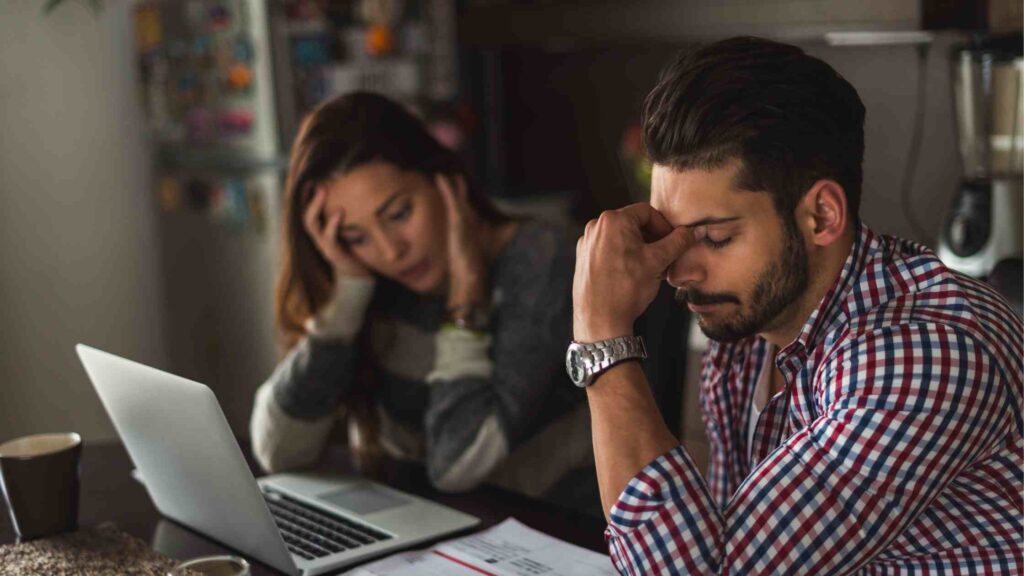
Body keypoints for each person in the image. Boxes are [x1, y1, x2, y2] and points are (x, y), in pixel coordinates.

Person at [571, 37, 1022, 573]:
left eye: (713, 237)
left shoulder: (924, 356)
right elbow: (721, 544)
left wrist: (603, 338)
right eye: (672, 235)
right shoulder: (744, 333)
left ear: (822, 216)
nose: (679, 272)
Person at [251, 92, 592, 504]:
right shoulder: (372, 280)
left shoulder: (544, 261)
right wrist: (346, 299)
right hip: (426, 527)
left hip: (546, 533)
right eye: (356, 237)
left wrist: (466, 299)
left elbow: (456, 466)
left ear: (445, 179)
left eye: (398, 214)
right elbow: (277, 450)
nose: (390, 252)